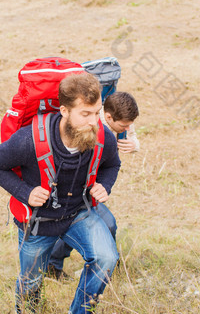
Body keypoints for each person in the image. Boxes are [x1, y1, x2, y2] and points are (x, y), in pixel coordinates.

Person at [0, 72, 122, 314]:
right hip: (39, 221)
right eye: (85, 114)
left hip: (78, 212)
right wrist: (26, 193)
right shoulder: (28, 140)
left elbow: (112, 163)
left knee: (106, 257)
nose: (94, 122)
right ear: (64, 111)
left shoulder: (102, 135)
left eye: (97, 112)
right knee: (31, 281)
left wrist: (105, 185)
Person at [47, 91, 140, 280]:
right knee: (103, 224)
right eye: (124, 125)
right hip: (77, 190)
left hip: (92, 189)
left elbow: (127, 143)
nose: (127, 128)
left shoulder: (119, 121)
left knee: (90, 224)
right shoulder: (90, 130)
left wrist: (135, 145)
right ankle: (103, 265)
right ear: (108, 117)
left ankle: (101, 264)